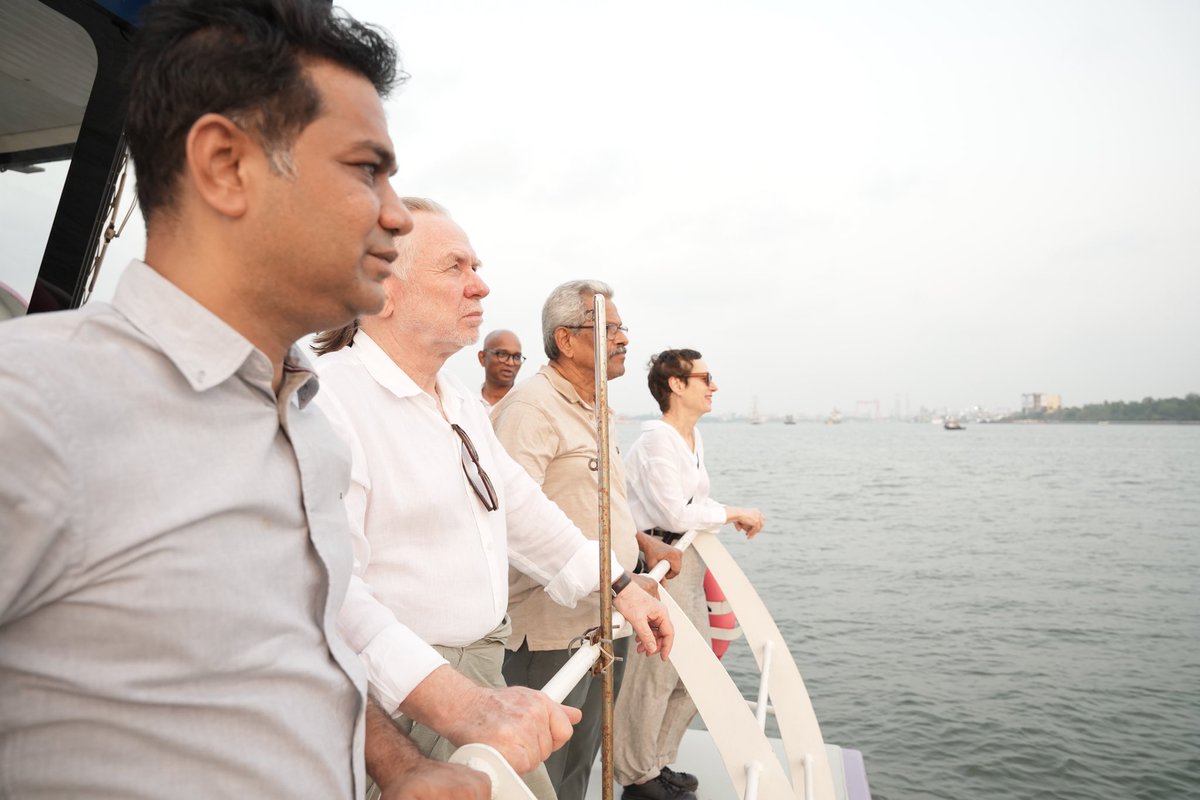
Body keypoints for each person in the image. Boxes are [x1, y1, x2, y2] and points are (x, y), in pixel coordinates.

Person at [0, 1, 488, 798]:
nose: (398, 216)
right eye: (366, 170)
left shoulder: (304, 424)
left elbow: (298, 653)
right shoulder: (33, 408)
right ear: (226, 165)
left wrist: (403, 770)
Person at [311, 199, 674, 800]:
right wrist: (458, 704)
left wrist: (619, 585)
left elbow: (524, 511)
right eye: (454, 267)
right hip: (396, 703)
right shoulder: (329, 402)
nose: (480, 285)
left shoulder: (457, 403)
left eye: (476, 267)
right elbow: (328, 591)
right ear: (382, 289)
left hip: (479, 670)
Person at [490, 280, 684, 800]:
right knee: (541, 777)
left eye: (622, 328)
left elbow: (588, 501)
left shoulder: (595, 407)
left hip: (606, 619)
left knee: (580, 766)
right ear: (566, 339)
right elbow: (513, 517)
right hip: (550, 634)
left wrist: (641, 546)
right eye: (609, 328)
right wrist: (619, 581)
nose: (624, 339)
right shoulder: (532, 409)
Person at [612, 349, 766, 800]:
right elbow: (674, 513)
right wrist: (733, 512)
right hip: (660, 564)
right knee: (656, 672)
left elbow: (692, 506)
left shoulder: (690, 437)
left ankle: (658, 762)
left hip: (686, 562)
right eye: (705, 378)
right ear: (676, 385)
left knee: (693, 673)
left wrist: (722, 514)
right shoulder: (657, 441)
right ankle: (637, 775)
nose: (713, 386)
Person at [479, 329, 526, 408]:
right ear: (482, 357)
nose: (510, 363)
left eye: (517, 357)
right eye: (503, 354)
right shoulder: (465, 402)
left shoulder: (526, 405)